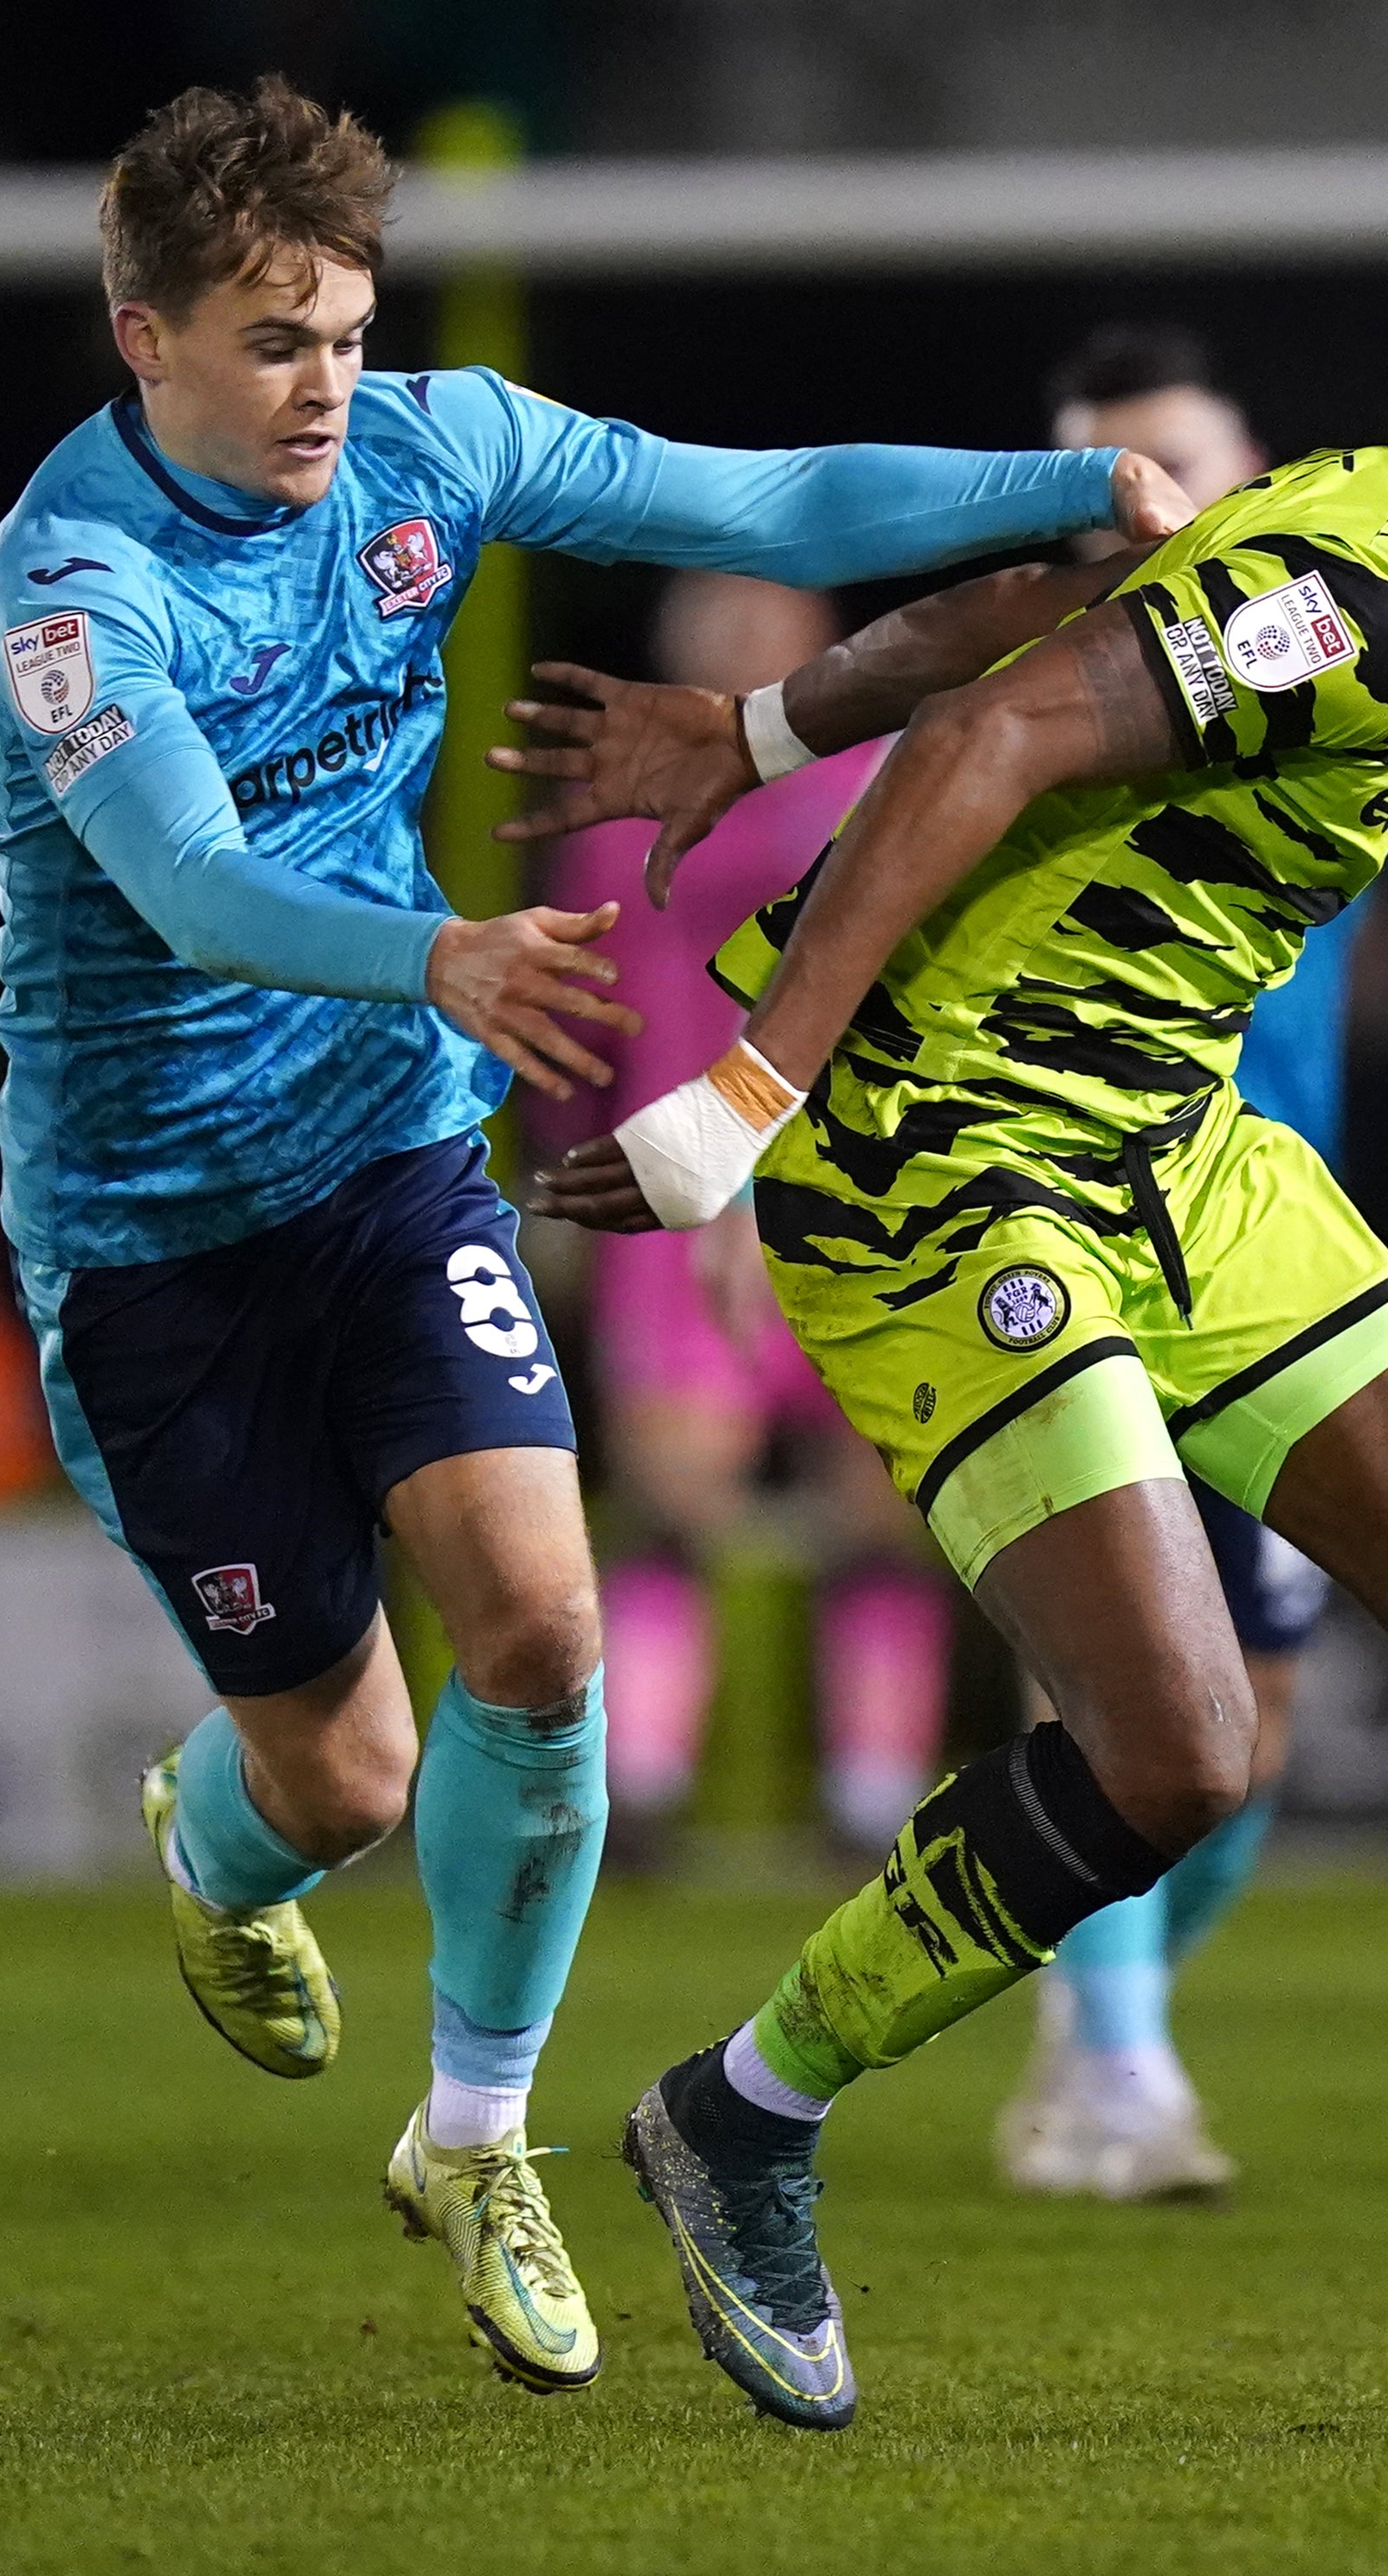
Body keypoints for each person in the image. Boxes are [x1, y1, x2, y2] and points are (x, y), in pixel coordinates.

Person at [501, 234, 1388, 2432]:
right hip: (949, 1159)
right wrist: (754, 1095)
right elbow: (1010, 729)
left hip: (1168, 1147)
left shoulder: (1378, 549)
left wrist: (750, 725)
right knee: (1175, 1753)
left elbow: (1041, 614)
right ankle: (743, 2115)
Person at [0, 78, 1187, 2396]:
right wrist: (433, 950)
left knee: (540, 1627)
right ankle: (219, 1850)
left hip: (395, 1159)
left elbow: (764, 499)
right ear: (142, 337)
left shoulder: (430, 449)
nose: (322, 382)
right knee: (345, 1781)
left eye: (341, 329)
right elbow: (188, 884)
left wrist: (1072, 489)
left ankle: (479, 2132)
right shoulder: (70, 597)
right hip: (145, 1239)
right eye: (266, 340)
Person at [994, 324, 1388, 2201]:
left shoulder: (1353, 672)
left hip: (1257, 1248)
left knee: (1240, 1733)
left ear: (1258, 480)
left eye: (1183, 469)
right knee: (1111, 1667)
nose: (1153, 516)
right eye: (1112, 485)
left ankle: (1102, 2004)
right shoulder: (1028, 699)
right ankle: (1118, 2063)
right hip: (1044, 1216)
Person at [524, 574, 955, 1865]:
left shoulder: (888, 779)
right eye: (698, 627)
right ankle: (642, 1793)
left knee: (884, 1506)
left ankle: (872, 1791)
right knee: (669, 1494)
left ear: (819, 644)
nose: (718, 647)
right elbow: (580, 1007)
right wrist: (560, 1174)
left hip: (862, 1190)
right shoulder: (616, 808)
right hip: (674, 1197)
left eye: (752, 625)